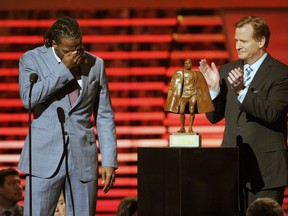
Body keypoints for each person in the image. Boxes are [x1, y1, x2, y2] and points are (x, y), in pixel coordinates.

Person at [18, 16, 118, 215]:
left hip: (83, 157)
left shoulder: (96, 64)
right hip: (43, 156)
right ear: (54, 43)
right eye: (68, 50)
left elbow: (104, 115)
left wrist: (109, 160)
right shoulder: (31, 59)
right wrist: (63, 69)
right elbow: (28, 98)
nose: (75, 54)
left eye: (78, 48)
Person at [199, 15, 288, 215]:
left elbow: (272, 113)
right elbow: (214, 117)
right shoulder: (227, 70)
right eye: (236, 40)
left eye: (244, 41)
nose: (238, 45)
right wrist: (213, 90)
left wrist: (242, 91)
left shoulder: (281, 74)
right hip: (232, 170)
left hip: (267, 172)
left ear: (261, 41)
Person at [165, 58, 214, 133]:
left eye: (189, 63)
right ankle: (182, 127)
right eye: (186, 63)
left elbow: (201, 85)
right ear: (184, 65)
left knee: (192, 111)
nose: (188, 65)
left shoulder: (196, 73)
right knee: (182, 111)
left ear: (191, 64)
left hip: (193, 94)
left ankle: (190, 128)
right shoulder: (182, 73)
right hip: (184, 94)